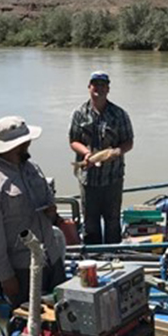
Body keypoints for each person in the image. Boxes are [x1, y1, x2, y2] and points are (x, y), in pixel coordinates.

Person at [0, 116, 66, 303]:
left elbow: (46, 201)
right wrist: (6, 276)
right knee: (29, 322)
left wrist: (52, 213)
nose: (29, 145)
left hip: (51, 258)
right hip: (22, 268)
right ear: (13, 146)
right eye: (25, 142)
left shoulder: (30, 168)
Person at [69, 71, 134, 244]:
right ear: (89, 87)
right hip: (87, 178)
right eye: (95, 84)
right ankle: (93, 256)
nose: (99, 88)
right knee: (90, 221)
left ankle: (113, 254)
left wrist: (117, 152)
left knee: (113, 220)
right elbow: (73, 141)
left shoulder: (119, 114)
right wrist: (87, 154)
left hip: (113, 178)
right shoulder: (79, 113)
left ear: (108, 88)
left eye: (103, 85)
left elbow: (129, 141)